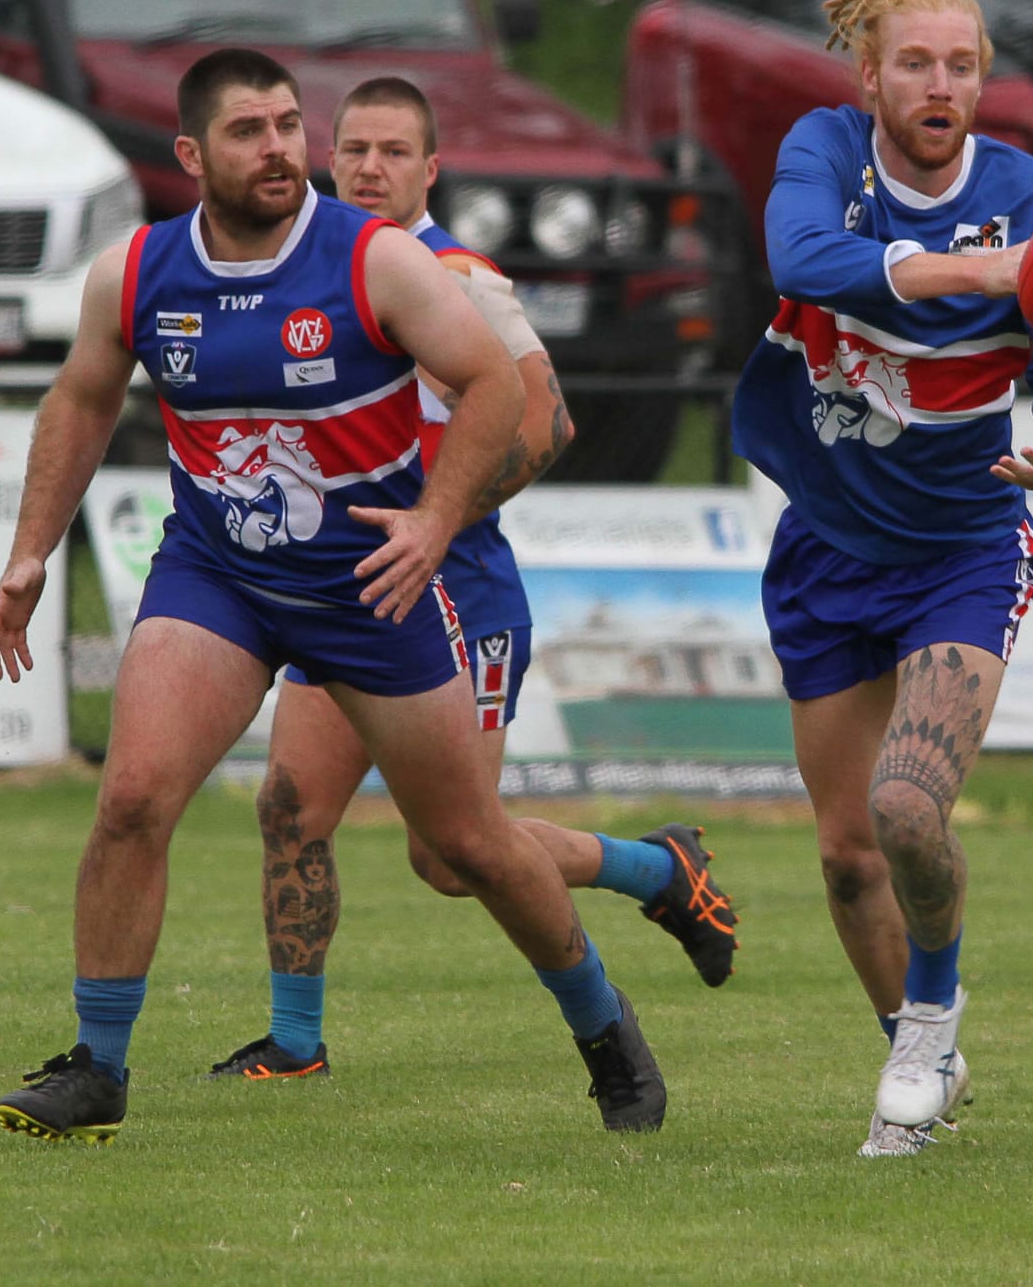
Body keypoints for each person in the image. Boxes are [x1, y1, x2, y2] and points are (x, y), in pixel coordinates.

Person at [0, 48, 666, 1142]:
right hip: (216, 575)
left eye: (291, 125)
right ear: (192, 155)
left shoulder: (376, 260)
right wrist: (29, 552)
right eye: (251, 131)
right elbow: (80, 398)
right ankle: (97, 1066)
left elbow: (497, 387)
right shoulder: (138, 273)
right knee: (132, 798)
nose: (281, 150)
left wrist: (436, 521)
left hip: (364, 589)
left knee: (469, 845)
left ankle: (601, 1025)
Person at [206, 76, 737, 1083]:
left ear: (429, 169)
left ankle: (658, 869)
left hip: (456, 595)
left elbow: (550, 424)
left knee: (451, 854)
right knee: (288, 805)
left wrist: (438, 517)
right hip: (343, 587)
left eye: (393, 152)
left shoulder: (457, 277)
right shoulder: (307, 272)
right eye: (353, 149)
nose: (368, 167)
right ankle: (296, 1041)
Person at [732, 0, 1033, 1157]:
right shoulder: (824, 151)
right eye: (913, 64)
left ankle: (924, 1030)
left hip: (964, 544)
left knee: (905, 809)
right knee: (847, 859)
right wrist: (970, 271)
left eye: (960, 65)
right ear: (870, 79)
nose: (938, 86)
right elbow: (801, 258)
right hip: (828, 544)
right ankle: (928, 1058)